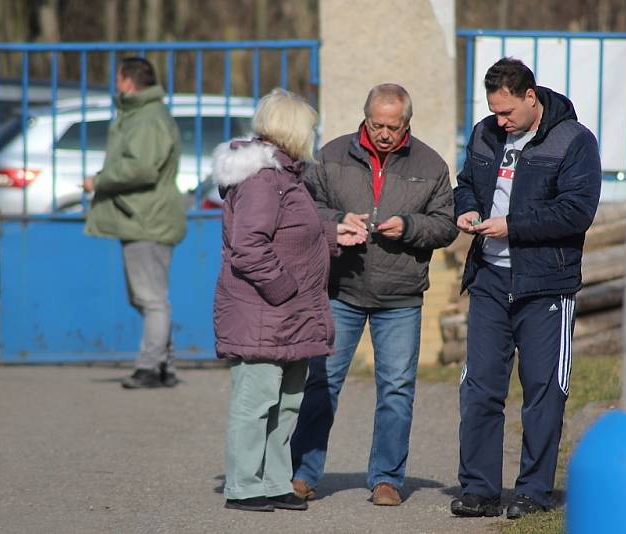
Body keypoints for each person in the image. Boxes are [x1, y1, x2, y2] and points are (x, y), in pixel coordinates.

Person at [290, 83, 458, 506]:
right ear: (365, 118)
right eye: (376, 124)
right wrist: (337, 220)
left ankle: (386, 478)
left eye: (393, 126)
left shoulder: (431, 164)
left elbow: (446, 223)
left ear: (408, 123)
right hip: (340, 289)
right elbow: (305, 208)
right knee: (321, 384)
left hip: (400, 295)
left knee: (397, 389)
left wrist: (410, 226)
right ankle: (303, 472)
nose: (383, 133)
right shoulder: (331, 155)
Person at [450, 58, 601, 519]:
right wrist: (468, 209)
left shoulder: (574, 141)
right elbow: (466, 184)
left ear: (530, 97)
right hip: (490, 281)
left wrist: (512, 226)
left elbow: (576, 212)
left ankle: (533, 491)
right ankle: (478, 488)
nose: (500, 121)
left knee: (543, 391)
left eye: (507, 112)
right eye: (494, 111)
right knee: (479, 389)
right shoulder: (484, 133)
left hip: (544, 285)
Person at [213, 88, 366, 513]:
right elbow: (250, 247)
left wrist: (335, 235)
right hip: (265, 312)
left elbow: (294, 231)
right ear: (294, 130)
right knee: (256, 401)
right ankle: (244, 485)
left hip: (291, 315)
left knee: (287, 402)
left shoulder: (285, 176)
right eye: (311, 128)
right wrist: (285, 291)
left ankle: (275, 479)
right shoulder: (262, 179)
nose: (315, 135)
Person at [83, 57, 186, 389]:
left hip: (146, 217)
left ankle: (149, 368)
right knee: (148, 297)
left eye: (117, 78)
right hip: (144, 216)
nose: (115, 84)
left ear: (128, 81)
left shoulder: (146, 118)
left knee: (150, 298)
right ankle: (162, 365)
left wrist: (99, 180)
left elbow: (141, 168)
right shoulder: (144, 115)